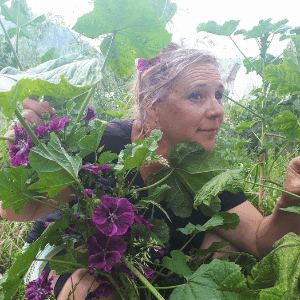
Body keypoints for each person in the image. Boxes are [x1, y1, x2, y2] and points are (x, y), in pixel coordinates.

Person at [2, 42, 300, 299]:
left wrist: (289, 201)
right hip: (66, 259)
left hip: (139, 261)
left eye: (219, 95)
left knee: (224, 249)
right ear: (152, 105)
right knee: (93, 289)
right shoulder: (105, 144)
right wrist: (25, 146)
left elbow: (261, 241)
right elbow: (14, 211)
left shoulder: (207, 169)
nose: (217, 109)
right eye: (197, 95)